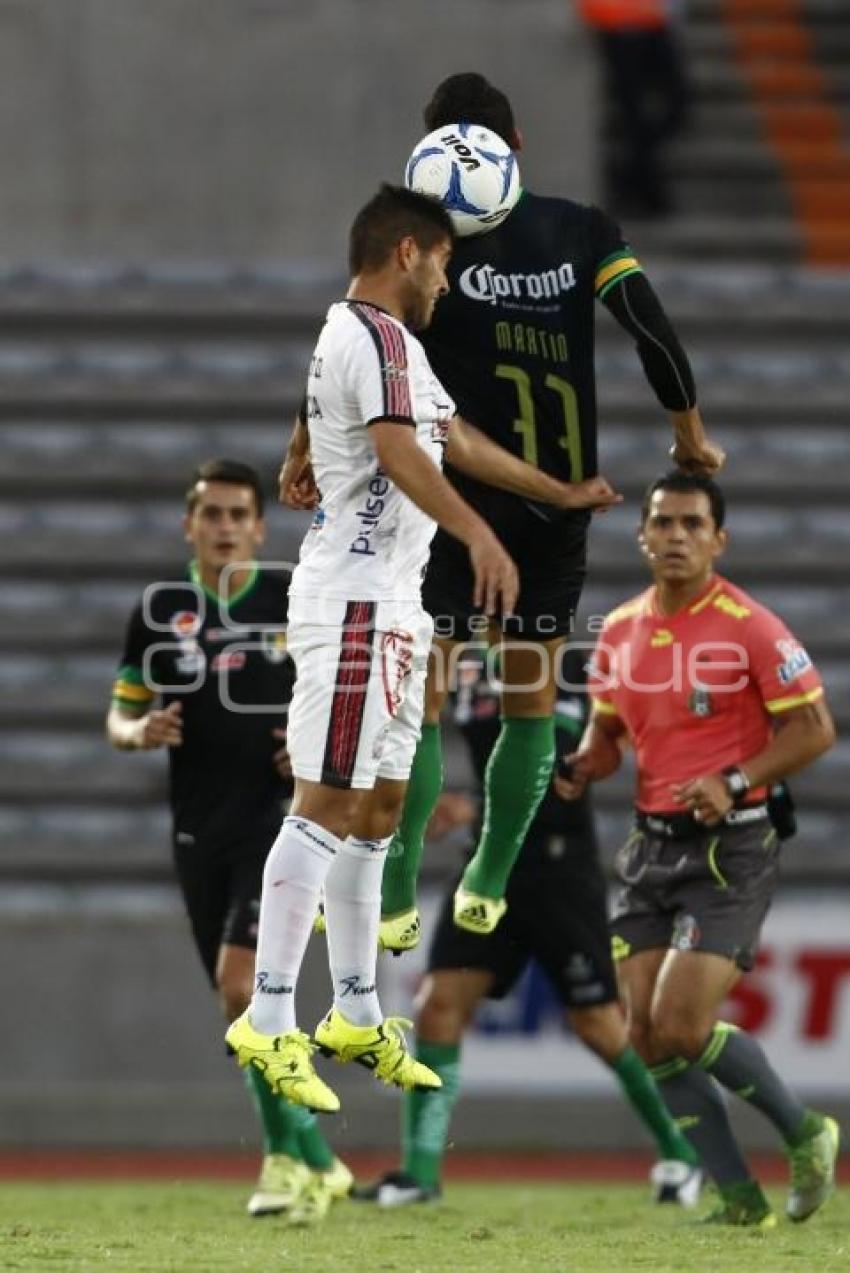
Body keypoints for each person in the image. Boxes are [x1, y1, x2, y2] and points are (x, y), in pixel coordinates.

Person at [227, 184, 620, 1116]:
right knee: (325, 801)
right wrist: (478, 537)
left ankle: (356, 1009)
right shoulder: (375, 338)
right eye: (444, 259)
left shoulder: (371, 342)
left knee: (383, 803)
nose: (450, 277)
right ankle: (270, 1015)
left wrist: (554, 494)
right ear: (408, 252)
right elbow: (404, 450)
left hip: (395, 608)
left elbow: (450, 439)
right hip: (357, 602)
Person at [351, 72, 724, 946]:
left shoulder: (421, 247)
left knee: (425, 704)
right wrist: (690, 437)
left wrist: (304, 438)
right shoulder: (582, 230)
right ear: (515, 146)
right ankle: (490, 873)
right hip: (556, 511)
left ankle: (399, 888)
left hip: (450, 505)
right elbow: (653, 332)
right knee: (529, 701)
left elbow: (364, 344)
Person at [557, 470, 839, 1227]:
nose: (675, 536)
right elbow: (610, 732)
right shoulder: (618, 630)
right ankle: (739, 1198)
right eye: (662, 523)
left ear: (719, 537)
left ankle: (808, 1132)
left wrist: (737, 777)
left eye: (691, 523)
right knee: (646, 1036)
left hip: (732, 848)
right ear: (643, 534)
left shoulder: (751, 626)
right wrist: (584, 762)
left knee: (680, 1025)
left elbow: (815, 729)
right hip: (652, 848)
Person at [352, 646, 702, 1207]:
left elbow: (628, 738)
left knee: (598, 1025)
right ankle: (420, 1174)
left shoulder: (573, 663)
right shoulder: (456, 665)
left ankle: (683, 1153)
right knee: (438, 1007)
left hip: (560, 869)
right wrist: (437, 803)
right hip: (487, 866)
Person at [107, 458, 351, 1224]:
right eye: (210, 514)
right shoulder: (159, 609)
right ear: (190, 525)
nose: (223, 527)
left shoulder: (291, 596)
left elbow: (345, 689)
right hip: (196, 828)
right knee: (236, 1003)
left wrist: (309, 750)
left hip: (282, 822)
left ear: (258, 524)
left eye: (237, 514)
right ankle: (319, 1159)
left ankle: (283, 1162)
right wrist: (138, 730)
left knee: (242, 984)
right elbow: (118, 715)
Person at [577, 0, 692, 219]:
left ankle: (632, 178)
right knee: (634, 114)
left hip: (654, 22)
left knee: (674, 105)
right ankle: (646, 188)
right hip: (617, 24)